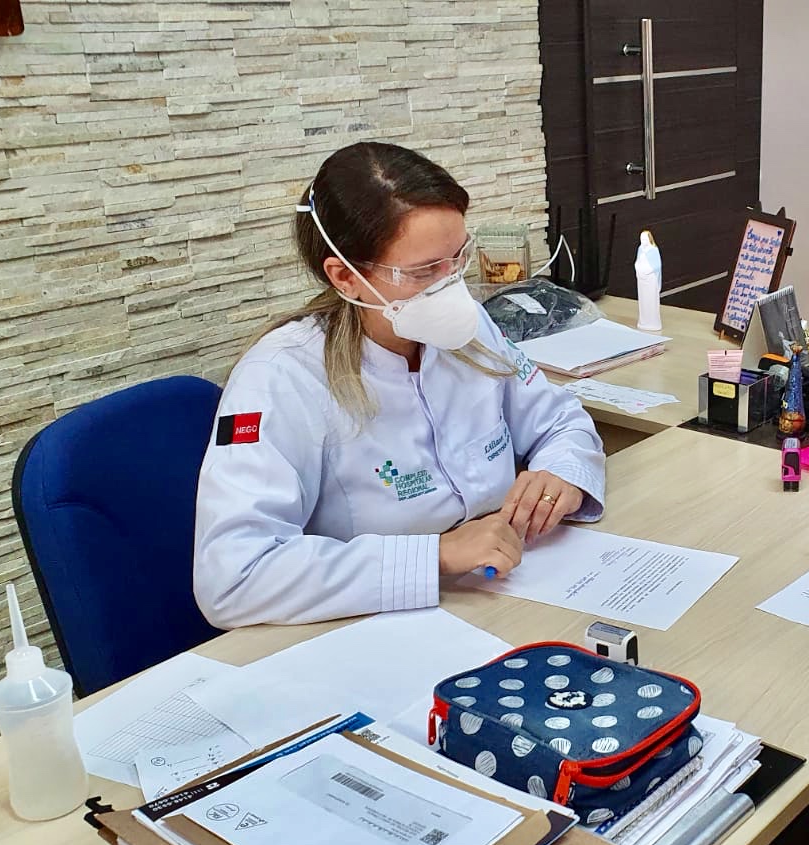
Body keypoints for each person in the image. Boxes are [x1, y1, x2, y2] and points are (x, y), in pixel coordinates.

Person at [193, 142, 605, 628]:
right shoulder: (281, 377)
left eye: (458, 257)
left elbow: (560, 419)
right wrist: (433, 557)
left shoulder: (468, 328)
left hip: (505, 591)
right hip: (373, 624)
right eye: (424, 271)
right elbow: (234, 577)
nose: (452, 284)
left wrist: (563, 475)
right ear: (345, 277)